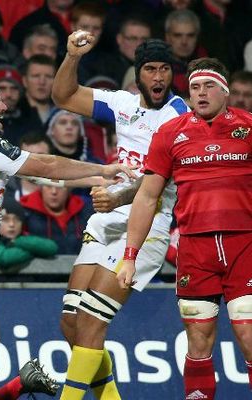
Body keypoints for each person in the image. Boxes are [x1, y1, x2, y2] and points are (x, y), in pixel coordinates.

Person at [0, 78, 135, 400]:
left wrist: (101, 177)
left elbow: (37, 173)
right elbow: (47, 163)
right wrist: (104, 169)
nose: (4, 106)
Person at [51, 35, 188, 399]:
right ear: (137, 75)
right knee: (71, 322)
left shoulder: (179, 117)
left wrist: (119, 196)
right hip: (105, 222)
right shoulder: (122, 104)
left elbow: (162, 180)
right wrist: (72, 56)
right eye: (150, 70)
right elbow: (63, 96)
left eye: (164, 70)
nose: (158, 77)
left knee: (93, 321)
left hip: (145, 229)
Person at [117, 57, 252, 400]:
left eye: (208, 86)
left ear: (226, 92)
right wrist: (130, 256)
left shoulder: (249, 127)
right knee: (198, 339)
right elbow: (147, 197)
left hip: (245, 247)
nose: (201, 93)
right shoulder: (170, 133)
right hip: (195, 250)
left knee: (248, 335)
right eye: (194, 87)